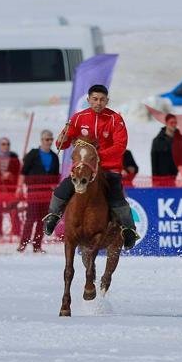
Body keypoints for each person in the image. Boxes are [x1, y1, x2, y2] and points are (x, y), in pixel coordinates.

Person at [43, 84, 139, 249]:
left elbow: (120, 146)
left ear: (107, 101)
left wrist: (97, 157)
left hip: (108, 169)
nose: (98, 103)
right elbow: (62, 144)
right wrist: (62, 139)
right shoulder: (78, 118)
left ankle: (129, 229)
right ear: (88, 100)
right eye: (94, 99)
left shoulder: (115, 119)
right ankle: (53, 216)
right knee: (62, 190)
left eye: (102, 99)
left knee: (117, 199)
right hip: (82, 168)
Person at [17, 130, 60, 253]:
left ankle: (37, 245)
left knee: (43, 220)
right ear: (41, 140)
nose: (49, 142)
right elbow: (23, 172)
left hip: (46, 194)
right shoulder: (33, 154)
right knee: (30, 218)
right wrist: (19, 188)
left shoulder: (54, 156)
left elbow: (55, 177)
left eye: (51, 139)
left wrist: (54, 188)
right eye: (47, 139)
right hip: (34, 191)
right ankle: (23, 244)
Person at [0, 137, 21, 237]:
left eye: (7, 144)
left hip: (10, 189)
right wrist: (0, 177)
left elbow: (18, 173)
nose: (5, 146)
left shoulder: (14, 158)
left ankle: (16, 231)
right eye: (3, 144)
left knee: (13, 210)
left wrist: (11, 176)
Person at [150, 113, 182, 187]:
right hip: (161, 180)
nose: (174, 125)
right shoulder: (157, 140)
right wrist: (154, 179)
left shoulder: (180, 140)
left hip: (177, 179)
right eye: (171, 122)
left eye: (175, 123)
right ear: (166, 123)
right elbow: (154, 161)